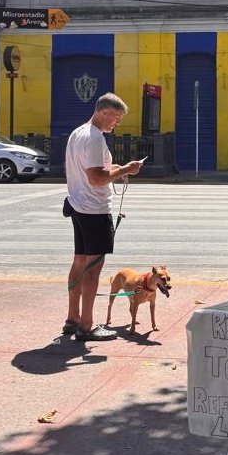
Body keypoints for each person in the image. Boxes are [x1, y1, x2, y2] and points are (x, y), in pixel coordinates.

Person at [63, 93, 143, 342]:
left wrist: (118, 169)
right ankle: (86, 325)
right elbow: (96, 178)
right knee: (93, 269)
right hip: (94, 209)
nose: (116, 124)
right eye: (116, 118)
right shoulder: (96, 138)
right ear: (105, 112)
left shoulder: (78, 133)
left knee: (79, 263)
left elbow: (93, 171)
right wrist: (126, 170)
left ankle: (72, 317)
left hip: (78, 205)